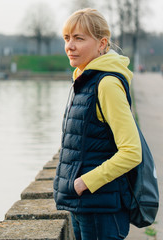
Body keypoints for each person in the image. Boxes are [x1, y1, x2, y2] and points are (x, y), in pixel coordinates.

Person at [53, 8, 142, 240]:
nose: (69, 46)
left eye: (79, 38)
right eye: (67, 38)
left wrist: (85, 182)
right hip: (85, 204)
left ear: (102, 44)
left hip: (101, 207)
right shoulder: (84, 79)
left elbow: (132, 152)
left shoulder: (107, 84)